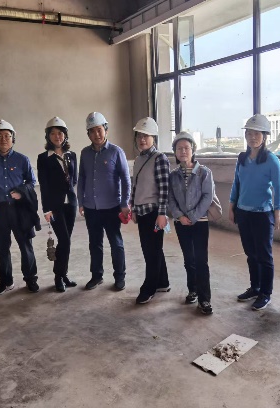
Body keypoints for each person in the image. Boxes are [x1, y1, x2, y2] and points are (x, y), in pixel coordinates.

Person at [0, 119, 40, 296]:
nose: (4, 139)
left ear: (13, 138)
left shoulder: (22, 159)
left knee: (25, 246)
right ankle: (6, 281)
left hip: (20, 209)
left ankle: (31, 279)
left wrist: (22, 192)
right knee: (2, 248)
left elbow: (32, 181)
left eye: (7, 135)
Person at [229, 114, 280, 311]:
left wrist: (277, 213)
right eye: (249, 133)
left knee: (264, 255)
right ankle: (255, 287)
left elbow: (279, 188)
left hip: (263, 214)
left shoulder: (271, 160)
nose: (252, 137)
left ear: (265, 136)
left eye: (257, 134)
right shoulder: (242, 159)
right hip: (243, 212)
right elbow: (236, 183)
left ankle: (265, 293)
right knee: (250, 253)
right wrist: (232, 206)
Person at [77, 112, 131, 291]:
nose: (96, 134)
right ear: (88, 134)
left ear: (106, 130)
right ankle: (96, 276)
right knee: (95, 243)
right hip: (91, 208)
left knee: (116, 243)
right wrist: (81, 201)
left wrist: (125, 203)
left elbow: (126, 179)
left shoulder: (116, 152)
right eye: (92, 131)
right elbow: (82, 178)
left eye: (99, 130)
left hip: (112, 207)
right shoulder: (85, 153)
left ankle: (120, 276)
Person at [168, 132, 215, 315]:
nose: (183, 151)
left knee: (201, 260)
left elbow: (207, 197)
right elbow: (171, 199)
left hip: (200, 222)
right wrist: (180, 216)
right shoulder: (173, 175)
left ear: (193, 150)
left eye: (186, 148)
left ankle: (204, 299)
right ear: (175, 152)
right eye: (179, 148)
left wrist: (193, 216)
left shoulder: (204, 172)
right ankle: (193, 289)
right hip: (181, 223)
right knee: (189, 258)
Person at [130, 117, 171, 304]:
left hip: (154, 213)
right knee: (153, 249)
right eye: (139, 135)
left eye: (146, 136)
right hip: (141, 212)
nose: (142, 139)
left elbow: (164, 189)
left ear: (154, 138)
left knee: (151, 251)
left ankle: (149, 287)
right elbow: (135, 186)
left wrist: (162, 214)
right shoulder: (139, 159)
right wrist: (133, 207)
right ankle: (163, 282)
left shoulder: (160, 158)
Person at [37, 117, 78, 292]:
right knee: (65, 240)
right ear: (48, 136)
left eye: (60, 133)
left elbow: (74, 179)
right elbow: (44, 185)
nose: (57, 136)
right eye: (53, 133)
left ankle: (63, 274)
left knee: (65, 241)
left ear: (65, 135)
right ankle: (58, 277)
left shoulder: (72, 155)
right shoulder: (43, 158)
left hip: (71, 204)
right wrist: (46, 209)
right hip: (55, 206)